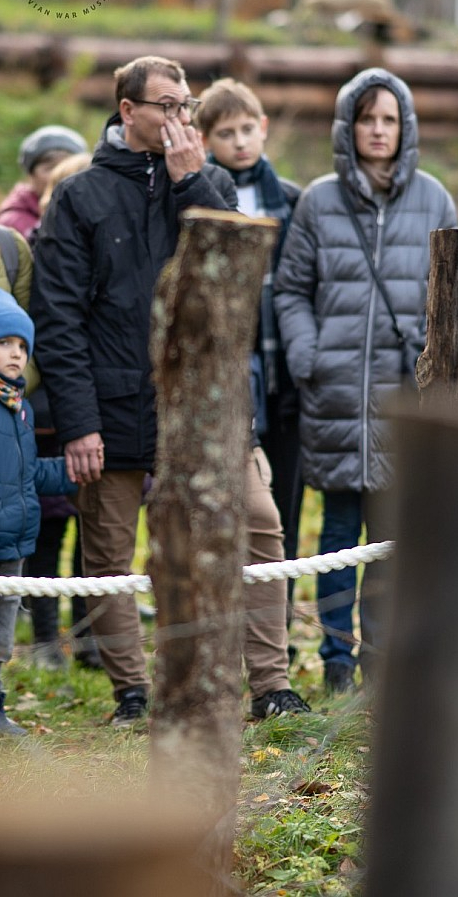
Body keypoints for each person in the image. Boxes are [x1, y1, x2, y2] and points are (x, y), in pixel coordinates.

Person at [29, 55, 241, 727]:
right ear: (128, 111)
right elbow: (58, 320)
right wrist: (78, 424)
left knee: (196, 547)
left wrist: (189, 182)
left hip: (190, 410)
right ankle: (131, 691)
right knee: (109, 557)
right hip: (110, 408)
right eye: (167, 105)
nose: (181, 117)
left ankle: (193, 678)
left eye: (187, 104)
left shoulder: (201, 180)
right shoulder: (80, 195)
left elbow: (233, 260)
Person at [274, 67, 458, 692]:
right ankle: (335, 663)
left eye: (389, 120)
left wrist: (437, 375)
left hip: (401, 398)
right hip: (335, 394)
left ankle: (380, 661)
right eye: (367, 119)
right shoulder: (318, 200)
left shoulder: (433, 199)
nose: (378, 131)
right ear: (346, 126)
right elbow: (292, 290)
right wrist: (309, 354)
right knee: (334, 535)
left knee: (389, 538)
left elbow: (450, 296)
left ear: (404, 129)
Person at [196, 77, 309, 718]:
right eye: (226, 133)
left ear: (263, 127)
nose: (240, 142)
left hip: (280, 383)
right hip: (223, 387)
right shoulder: (204, 196)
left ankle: (274, 661)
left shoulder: (290, 200)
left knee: (280, 524)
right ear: (209, 140)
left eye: (248, 128)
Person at [19, 151, 102, 672]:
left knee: (94, 530)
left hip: (96, 411)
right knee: (49, 531)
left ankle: (88, 633)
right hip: (50, 415)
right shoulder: (39, 253)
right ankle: (47, 638)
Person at [0, 291, 78, 734]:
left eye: (22, 346)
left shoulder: (20, 408)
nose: (16, 353)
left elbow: (28, 474)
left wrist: (74, 473)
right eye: (5, 343)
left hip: (13, 545)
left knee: (1, 637)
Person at [0, 125, 88, 240]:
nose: (60, 175)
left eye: (67, 167)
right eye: (50, 168)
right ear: (30, 175)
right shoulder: (13, 225)